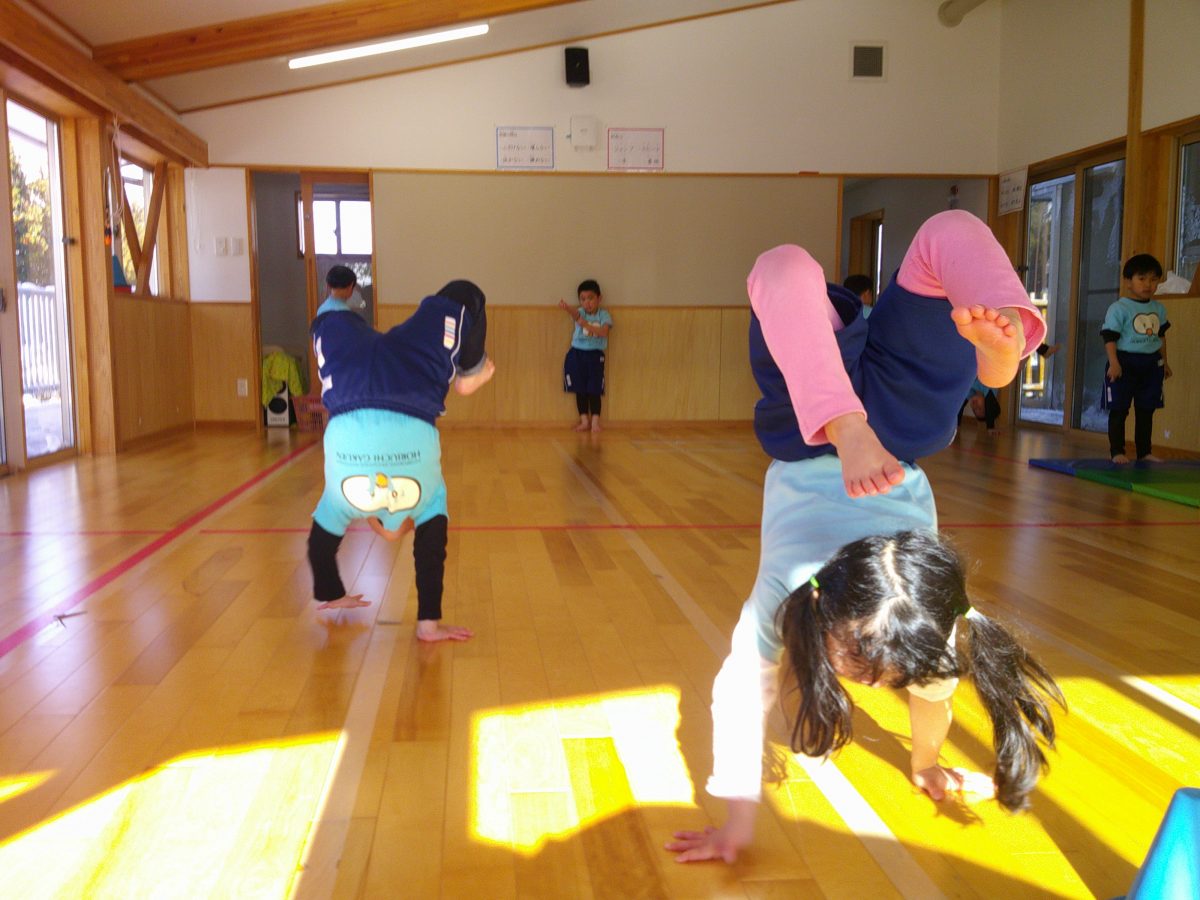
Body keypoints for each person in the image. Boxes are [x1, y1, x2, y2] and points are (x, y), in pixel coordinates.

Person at [666, 210, 1063, 864]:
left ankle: (944, 382)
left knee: (784, 266)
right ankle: (998, 361)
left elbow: (739, 698)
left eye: (864, 673)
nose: (869, 683)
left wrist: (738, 819)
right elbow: (932, 700)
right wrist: (926, 761)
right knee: (946, 232)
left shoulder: (794, 595)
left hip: (817, 416)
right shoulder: (926, 622)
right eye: (871, 673)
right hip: (891, 432)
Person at [307, 265, 494, 642]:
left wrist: (430, 622)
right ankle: (468, 371)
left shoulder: (425, 500)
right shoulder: (343, 500)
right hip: (358, 397)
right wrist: (330, 593)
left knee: (465, 292)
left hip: (407, 394)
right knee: (330, 322)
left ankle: (470, 371)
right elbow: (318, 548)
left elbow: (431, 550)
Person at [1102, 254, 1172, 463]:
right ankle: (1117, 452)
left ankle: (1144, 452)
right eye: (1142, 279)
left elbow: (1161, 337)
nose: (1148, 284)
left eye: (1153, 279)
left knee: (1146, 410)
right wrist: (1114, 363)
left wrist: (1165, 362)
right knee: (1119, 409)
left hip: (1151, 364)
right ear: (1128, 282)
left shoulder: (1158, 309)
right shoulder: (1119, 308)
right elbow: (1109, 337)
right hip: (1124, 362)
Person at [559, 279, 613, 432]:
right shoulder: (581, 312)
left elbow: (604, 332)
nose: (587, 303)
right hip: (577, 354)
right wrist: (567, 308)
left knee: (595, 390)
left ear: (599, 298)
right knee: (580, 389)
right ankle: (584, 421)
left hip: (595, 355)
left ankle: (595, 422)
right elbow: (576, 315)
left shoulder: (603, 315)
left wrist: (586, 325)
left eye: (590, 298)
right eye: (582, 299)